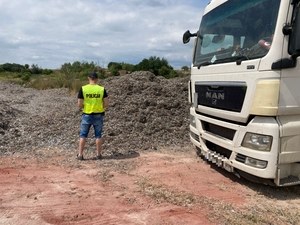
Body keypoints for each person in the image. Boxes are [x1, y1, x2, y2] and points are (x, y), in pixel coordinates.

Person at [77, 72, 109, 160]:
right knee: (98, 135)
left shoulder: (83, 88)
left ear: (88, 78)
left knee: (83, 135)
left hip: (87, 114)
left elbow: (79, 104)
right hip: (98, 115)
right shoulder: (102, 89)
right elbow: (106, 104)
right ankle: (98, 155)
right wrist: (99, 107)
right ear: (97, 79)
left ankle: (80, 155)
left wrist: (86, 107)